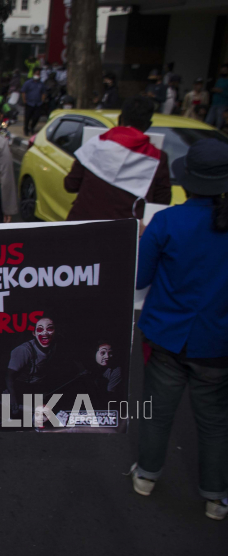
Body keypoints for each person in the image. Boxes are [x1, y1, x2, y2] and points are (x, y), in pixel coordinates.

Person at [129, 138, 228, 521]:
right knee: (216, 422)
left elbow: (139, 278)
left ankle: (147, 477)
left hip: (167, 339)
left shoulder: (167, 222)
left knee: (157, 413)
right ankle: (215, 497)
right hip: (218, 344)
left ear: (186, 181)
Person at [64, 96, 171, 221]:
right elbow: (161, 202)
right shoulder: (157, 159)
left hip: (83, 224)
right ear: (148, 125)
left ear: (120, 118)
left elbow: (70, 185)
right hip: (124, 232)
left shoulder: (95, 144)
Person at [5, 316, 60, 416]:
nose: (45, 333)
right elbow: (9, 376)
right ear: (34, 333)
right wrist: (13, 398)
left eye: (50, 328)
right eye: (40, 329)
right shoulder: (23, 350)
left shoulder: (55, 346)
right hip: (19, 389)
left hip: (38, 388)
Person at [79, 340, 122, 405]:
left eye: (110, 353)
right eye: (102, 353)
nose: (107, 356)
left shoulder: (116, 371)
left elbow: (109, 397)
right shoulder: (88, 369)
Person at [21, 68, 47, 136]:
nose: (37, 75)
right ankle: (26, 129)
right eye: (36, 74)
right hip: (29, 103)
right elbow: (23, 92)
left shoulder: (41, 84)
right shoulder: (28, 83)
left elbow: (43, 92)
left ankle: (32, 128)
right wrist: (24, 100)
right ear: (33, 74)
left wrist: (42, 100)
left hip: (38, 104)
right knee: (27, 117)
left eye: (38, 74)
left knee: (36, 117)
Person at [206, 63, 228, 129]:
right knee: (208, 121)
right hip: (214, 104)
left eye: (225, 70)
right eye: (222, 70)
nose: (223, 72)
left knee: (219, 123)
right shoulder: (219, 80)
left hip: (223, 105)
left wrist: (221, 91)